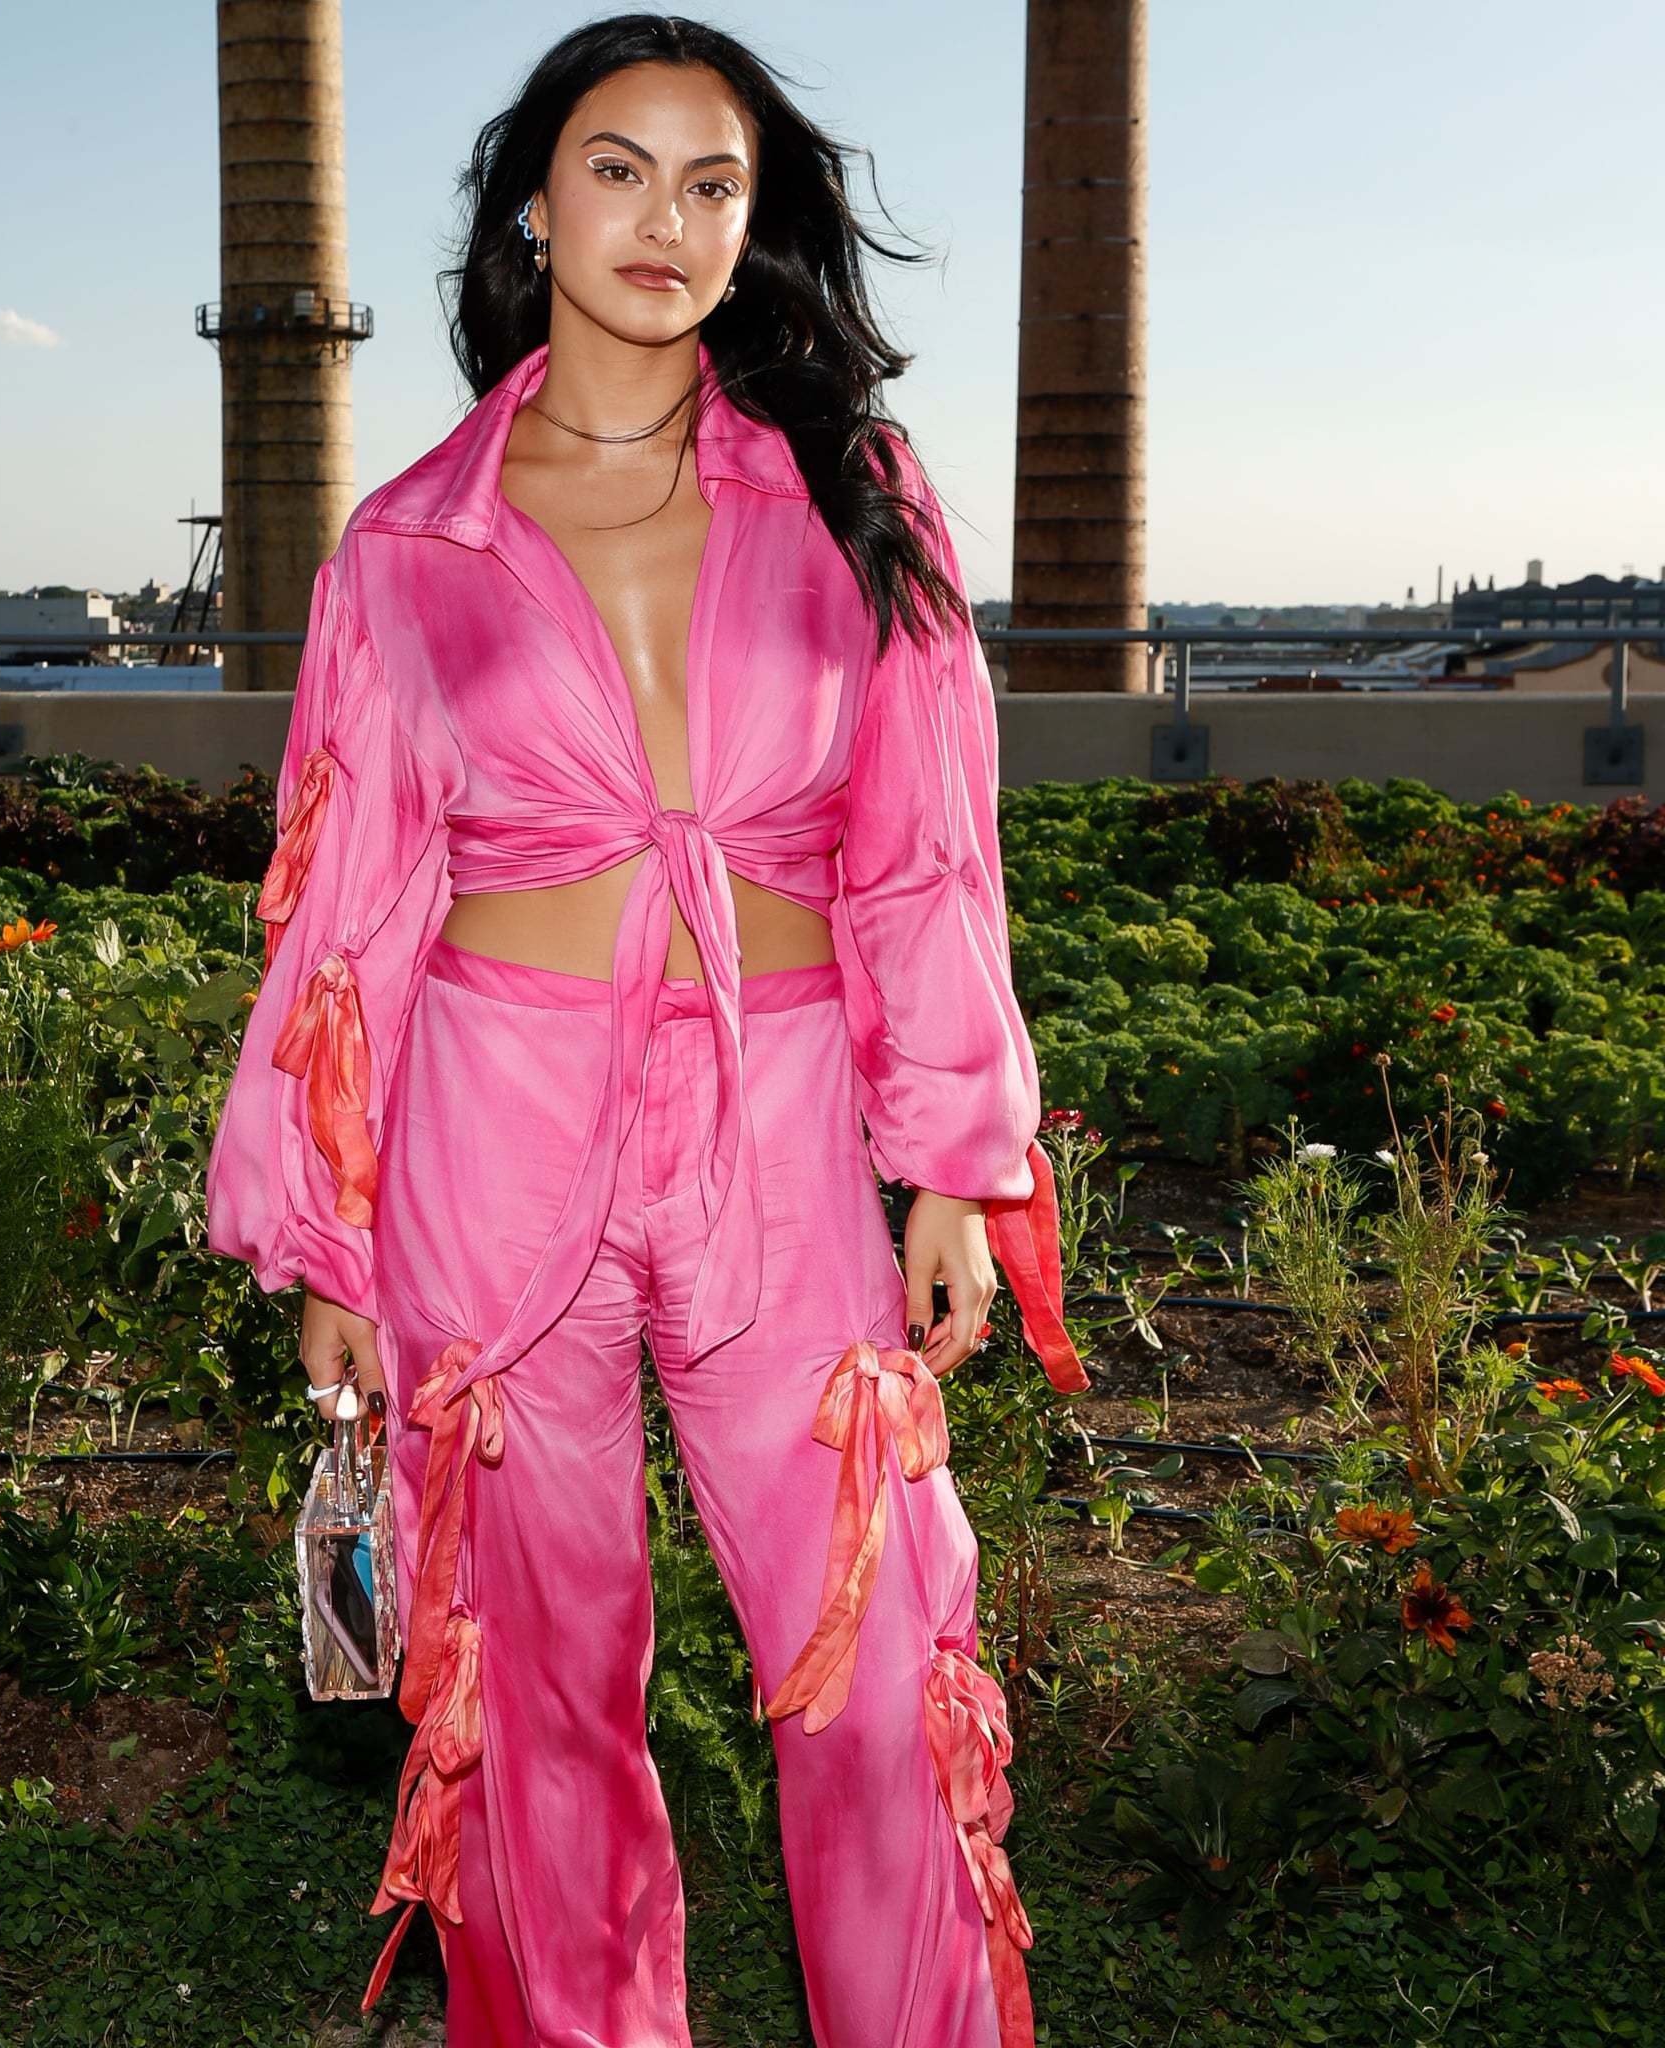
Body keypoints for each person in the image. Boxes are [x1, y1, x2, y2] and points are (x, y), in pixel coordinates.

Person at [207, 17, 1087, 2047]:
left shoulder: (850, 492)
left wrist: (958, 1154)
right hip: (487, 1136)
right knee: (533, 1704)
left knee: (878, 1673)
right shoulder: (404, 547)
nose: (665, 220)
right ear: (534, 198)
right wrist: (327, 1248)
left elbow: (926, 847)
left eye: (714, 183)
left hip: (777, 1129)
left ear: (755, 227)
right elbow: (342, 916)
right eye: (619, 169)